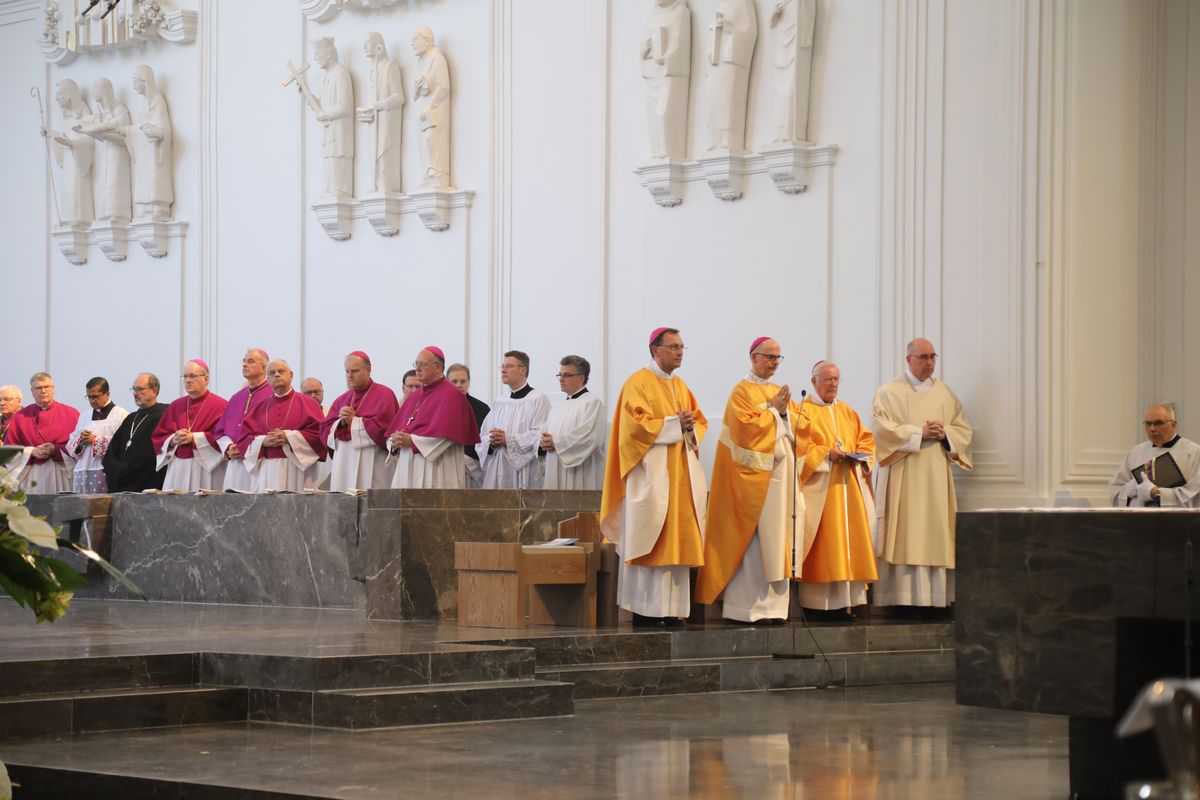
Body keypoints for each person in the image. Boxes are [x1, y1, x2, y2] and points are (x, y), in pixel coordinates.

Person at [600, 327, 707, 626]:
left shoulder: (681, 386)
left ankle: (673, 610)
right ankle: (646, 611)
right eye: (673, 346)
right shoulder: (638, 383)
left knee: (677, 542)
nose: (679, 352)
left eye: (682, 347)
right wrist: (675, 423)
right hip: (650, 477)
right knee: (650, 537)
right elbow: (635, 427)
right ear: (655, 349)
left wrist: (688, 427)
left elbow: (697, 422)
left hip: (679, 477)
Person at [696, 337, 805, 624]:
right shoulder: (741, 391)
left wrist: (782, 412)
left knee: (777, 537)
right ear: (753, 357)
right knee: (753, 542)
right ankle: (746, 609)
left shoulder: (777, 391)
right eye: (769, 356)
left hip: (779, 478)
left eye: (778, 357)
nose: (774, 362)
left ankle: (774, 609)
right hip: (750, 482)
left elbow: (795, 430)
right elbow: (745, 431)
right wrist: (773, 411)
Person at [870, 338, 974, 613]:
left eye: (933, 357)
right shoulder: (889, 392)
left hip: (935, 473)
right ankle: (901, 598)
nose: (929, 363)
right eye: (923, 357)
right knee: (906, 530)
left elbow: (962, 429)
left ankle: (935, 600)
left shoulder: (945, 394)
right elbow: (881, 430)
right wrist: (919, 433)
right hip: (904, 472)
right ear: (908, 360)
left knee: (933, 530)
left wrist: (945, 435)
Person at [794, 361, 877, 620]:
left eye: (837, 380)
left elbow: (866, 441)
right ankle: (817, 607)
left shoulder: (848, 412)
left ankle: (844, 605)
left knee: (848, 543)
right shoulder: (802, 412)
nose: (833, 384)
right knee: (824, 545)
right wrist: (825, 454)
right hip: (820, 491)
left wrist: (860, 457)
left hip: (848, 488)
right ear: (814, 382)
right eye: (828, 379)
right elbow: (798, 449)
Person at [385, 347, 480, 488]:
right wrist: (395, 442)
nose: (417, 369)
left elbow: (447, 437)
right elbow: (396, 431)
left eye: (422, 365)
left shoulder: (452, 396)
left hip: (437, 469)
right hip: (407, 467)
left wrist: (411, 441)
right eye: (416, 364)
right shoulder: (415, 397)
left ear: (438, 367)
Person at [239, 360, 326, 492]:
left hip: (297, 468)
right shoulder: (260, 407)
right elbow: (244, 438)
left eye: (281, 371)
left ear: (291, 375)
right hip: (267, 469)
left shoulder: (308, 403)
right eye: (272, 373)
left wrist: (289, 437)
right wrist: (263, 441)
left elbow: (319, 436)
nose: (277, 375)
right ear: (268, 379)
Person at [320, 351, 399, 492]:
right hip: (344, 464)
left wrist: (354, 421)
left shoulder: (385, 395)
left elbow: (385, 432)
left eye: (355, 371)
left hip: (374, 465)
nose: (350, 375)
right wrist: (341, 423)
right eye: (347, 371)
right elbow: (325, 431)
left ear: (368, 370)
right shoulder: (341, 400)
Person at [475, 351, 550, 489]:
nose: (503, 370)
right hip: (498, 467)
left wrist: (508, 440)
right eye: (502, 366)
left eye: (509, 366)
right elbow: (483, 435)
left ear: (523, 370)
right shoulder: (500, 401)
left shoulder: (538, 398)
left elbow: (539, 435)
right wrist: (491, 440)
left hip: (524, 470)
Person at [151, 359, 229, 491]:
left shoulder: (222, 405)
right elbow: (159, 436)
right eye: (185, 376)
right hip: (178, 468)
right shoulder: (176, 405)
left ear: (206, 379)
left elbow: (224, 438)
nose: (188, 380)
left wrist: (194, 438)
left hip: (206, 468)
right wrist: (173, 439)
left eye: (192, 376)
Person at [1110, 403, 1200, 508]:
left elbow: (1195, 495)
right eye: (1148, 423)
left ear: (1173, 424)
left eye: (1158, 423)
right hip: (1138, 520)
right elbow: (1116, 489)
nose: (1152, 429)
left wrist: (1155, 493)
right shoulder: (1136, 452)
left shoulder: (1194, 452)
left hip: (1175, 522)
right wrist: (1128, 490)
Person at [6, 372, 81, 494]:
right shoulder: (20, 416)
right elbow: (9, 450)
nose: (43, 391)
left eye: (47, 387)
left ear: (53, 389)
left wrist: (56, 449)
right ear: (32, 391)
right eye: (39, 388)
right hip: (32, 473)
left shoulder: (71, 414)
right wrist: (31, 451)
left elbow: (80, 447)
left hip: (61, 471)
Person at [540, 355, 607, 490]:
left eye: (567, 375)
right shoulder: (558, 407)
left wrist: (557, 443)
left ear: (581, 378)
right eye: (560, 375)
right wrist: (542, 442)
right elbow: (545, 432)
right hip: (555, 467)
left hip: (582, 472)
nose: (561, 379)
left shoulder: (592, 403)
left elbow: (591, 438)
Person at [213, 349, 271, 492]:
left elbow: (274, 434)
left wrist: (246, 449)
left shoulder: (272, 396)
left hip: (260, 464)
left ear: (264, 367)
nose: (245, 365)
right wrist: (228, 447)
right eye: (244, 361)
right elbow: (221, 432)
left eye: (250, 361)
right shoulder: (236, 398)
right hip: (235, 466)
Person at [357, 32, 405, 195]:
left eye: (367, 43)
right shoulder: (372, 71)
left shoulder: (389, 67)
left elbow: (399, 96)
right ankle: (376, 184)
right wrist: (368, 110)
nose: (364, 47)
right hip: (374, 121)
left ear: (378, 46)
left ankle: (386, 185)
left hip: (386, 120)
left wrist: (382, 104)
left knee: (384, 151)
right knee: (373, 152)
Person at [103, 374, 168, 493]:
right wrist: (116, 470)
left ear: (154, 391)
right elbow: (111, 452)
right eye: (134, 389)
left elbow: (151, 455)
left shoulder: (163, 417)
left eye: (140, 389)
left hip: (146, 484)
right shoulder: (130, 419)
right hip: (121, 483)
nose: (135, 393)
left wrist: (127, 470)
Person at [42, 78, 95, 224]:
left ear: (70, 94)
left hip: (78, 160)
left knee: (77, 190)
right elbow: (64, 137)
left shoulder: (83, 112)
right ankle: (69, 218)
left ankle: (79, 219)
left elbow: (89, 140)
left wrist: (72, 144)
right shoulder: (66, 116)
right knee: (68, 190)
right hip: (69, 159)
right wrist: (51, 134)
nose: (56, 98)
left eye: (59, 94)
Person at [65, 377, 129, 493]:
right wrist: (81, 440)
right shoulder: (84, 416)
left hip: (106, 469)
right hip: (83, 469)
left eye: (95, 396)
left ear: (107, 394)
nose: (92, 401)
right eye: (88, 397)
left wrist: (96, 440)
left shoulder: (121, 414)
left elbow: (123, 444)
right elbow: (70, 443)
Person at [411, 27, 451, 189]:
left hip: (434, 109)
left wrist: (430, 106)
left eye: (415, 40)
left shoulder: (437, 58)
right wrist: (416, 88)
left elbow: (443, 86)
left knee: (431, 138)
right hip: (423, 109)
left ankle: (438, 172)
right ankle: (428, 172)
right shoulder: (421, 61)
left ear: (426, 41)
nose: (411, 44)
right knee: (423, 141)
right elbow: (416, 94)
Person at [449, 363, 490, 487]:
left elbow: (484, 440)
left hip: (472, 468)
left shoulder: (481, 408)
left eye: (463, 381)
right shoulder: (438, 406)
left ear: (469, 382)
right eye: (454, 381)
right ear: (446, 382)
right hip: (445, 464)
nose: (459, 385)